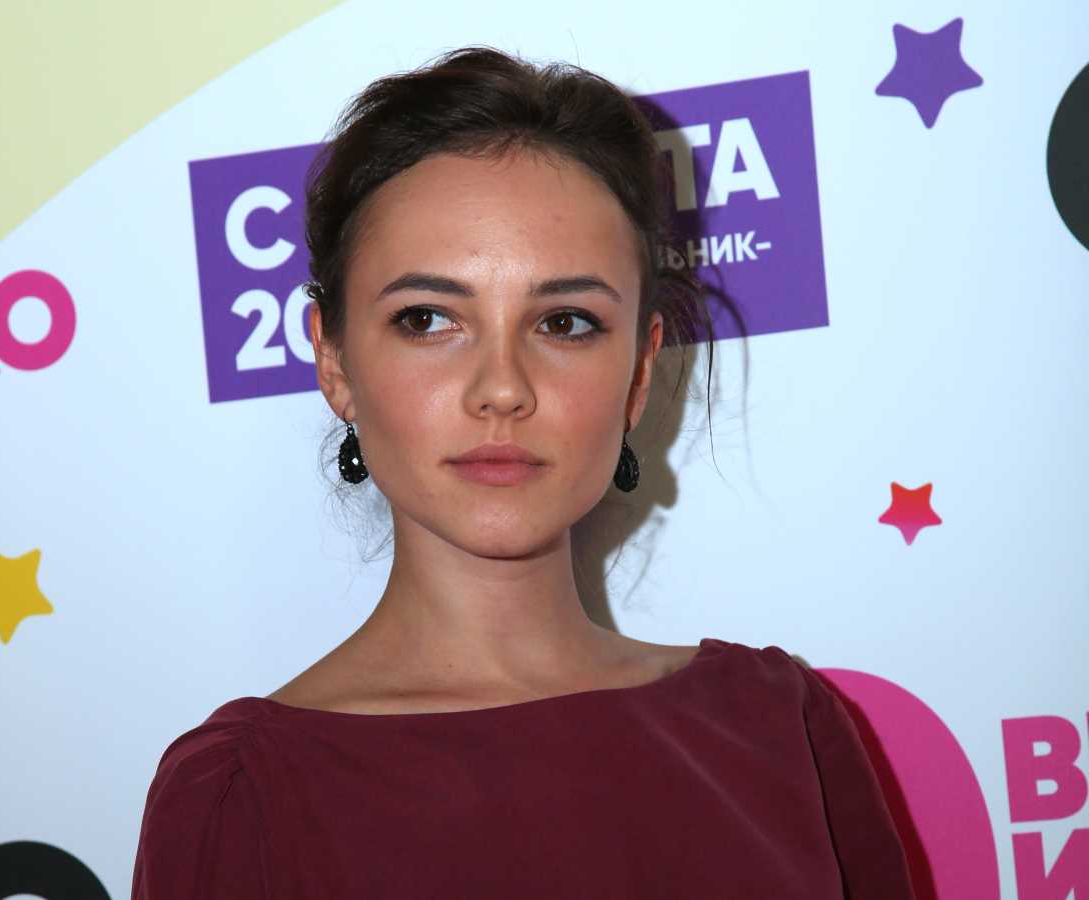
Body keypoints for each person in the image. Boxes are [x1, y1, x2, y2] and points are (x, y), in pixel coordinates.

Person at [130, 46, 916, 898]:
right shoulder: (242, 799)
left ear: (639, 372)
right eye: (427, 319)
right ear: (335, 361)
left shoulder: (780, 730)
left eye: (565, 323)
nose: (502, 389)